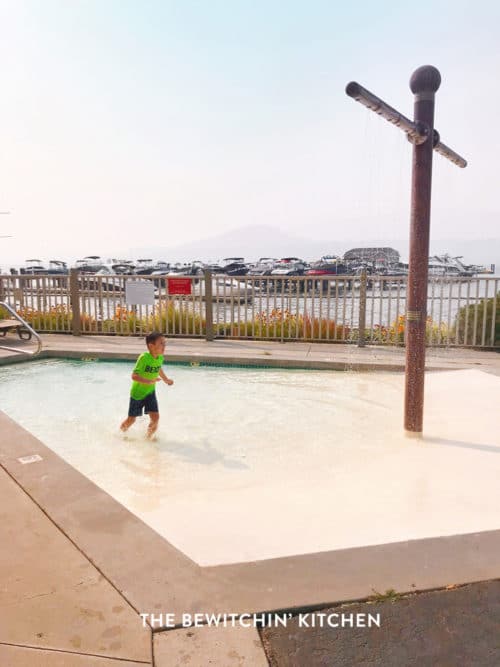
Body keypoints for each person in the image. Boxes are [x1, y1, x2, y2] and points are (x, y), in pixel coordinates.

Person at [120, 332, 173, 439]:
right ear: (151, 346)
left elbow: (158, 369)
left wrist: (166, 379)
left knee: (155, 418)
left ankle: (148, 438)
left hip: (150, 393)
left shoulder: (160, 358)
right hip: (137, 394)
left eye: (165, 343)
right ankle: (120, 434)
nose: (164, 346)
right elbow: (134, 376)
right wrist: (148, 381)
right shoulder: (144, 358)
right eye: (161, 343)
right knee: (132, 419)